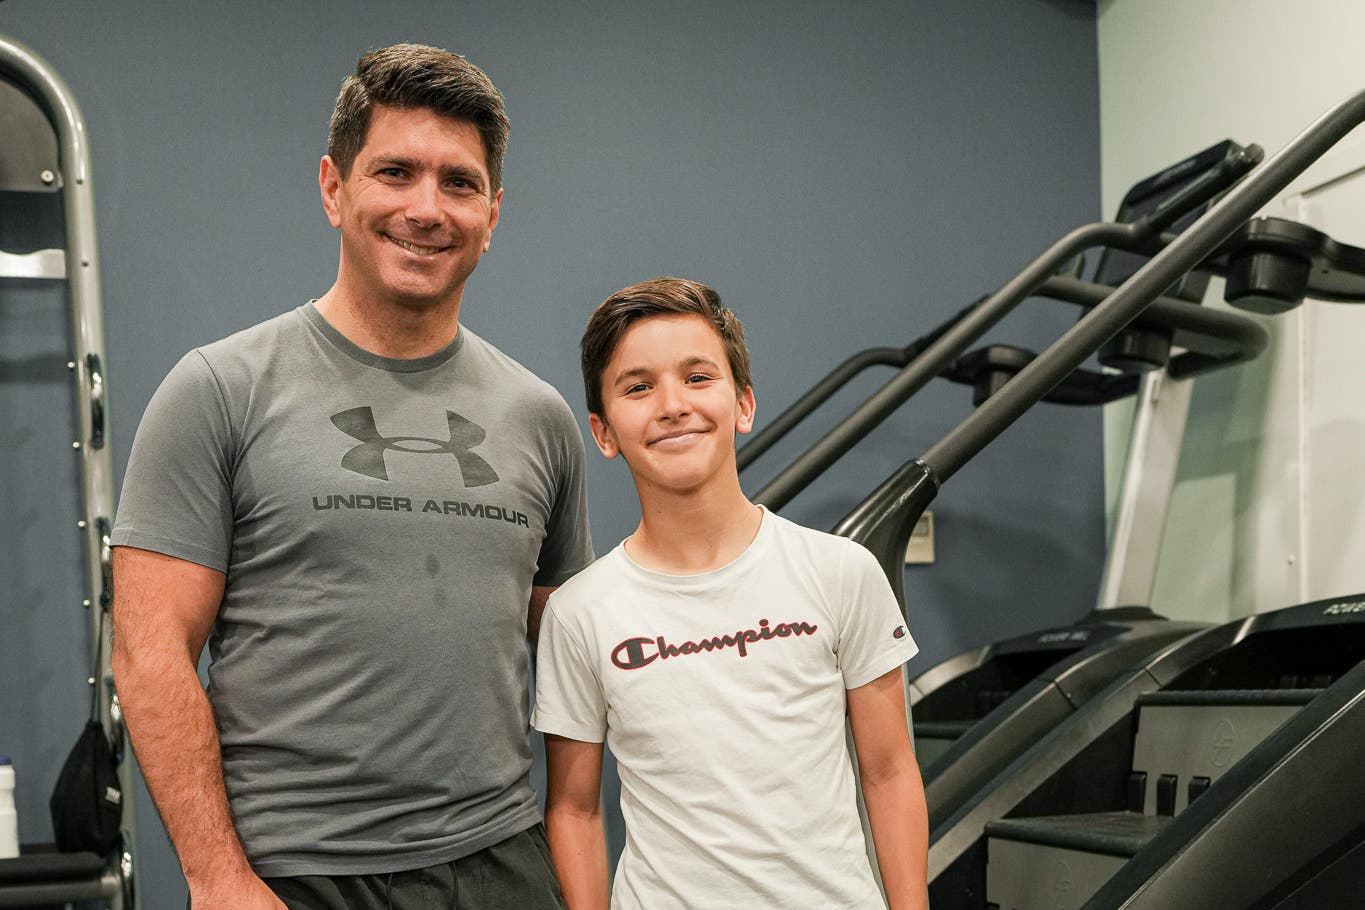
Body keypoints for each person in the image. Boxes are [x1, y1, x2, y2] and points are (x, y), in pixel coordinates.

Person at [110, 44, 592, 909]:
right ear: (333, 188)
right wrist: (219, 880)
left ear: (493, 212)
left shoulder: (539, 415)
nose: (426, 208)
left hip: (498, 861)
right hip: (295, 870)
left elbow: (570, 655)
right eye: (395, 172)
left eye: (458, 182)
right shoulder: (218, 390)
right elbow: (149, 655)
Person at [533, 277, 929, 909]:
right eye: (638, 387)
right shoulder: (579, 613)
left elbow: (888, 772)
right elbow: (575, 810)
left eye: (697, 377)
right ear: (604, 433)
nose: (671, 405)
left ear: (743, 403)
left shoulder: (841, 572)